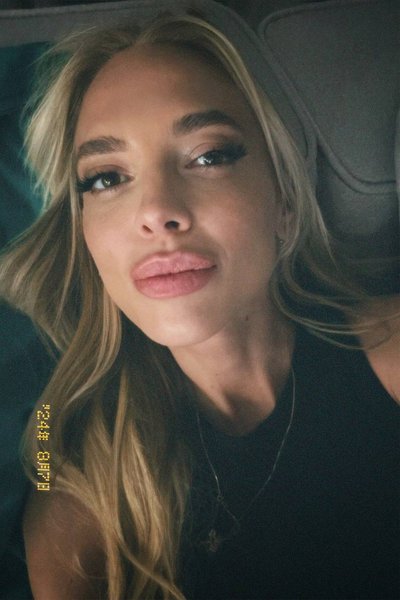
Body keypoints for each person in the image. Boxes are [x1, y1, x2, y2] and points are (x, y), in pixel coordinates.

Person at [0, 11, 398, 600]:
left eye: (209, 156)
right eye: (106, 178)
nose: (156, 211)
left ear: (285, 203)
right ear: (84, 234)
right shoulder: (63, 459)